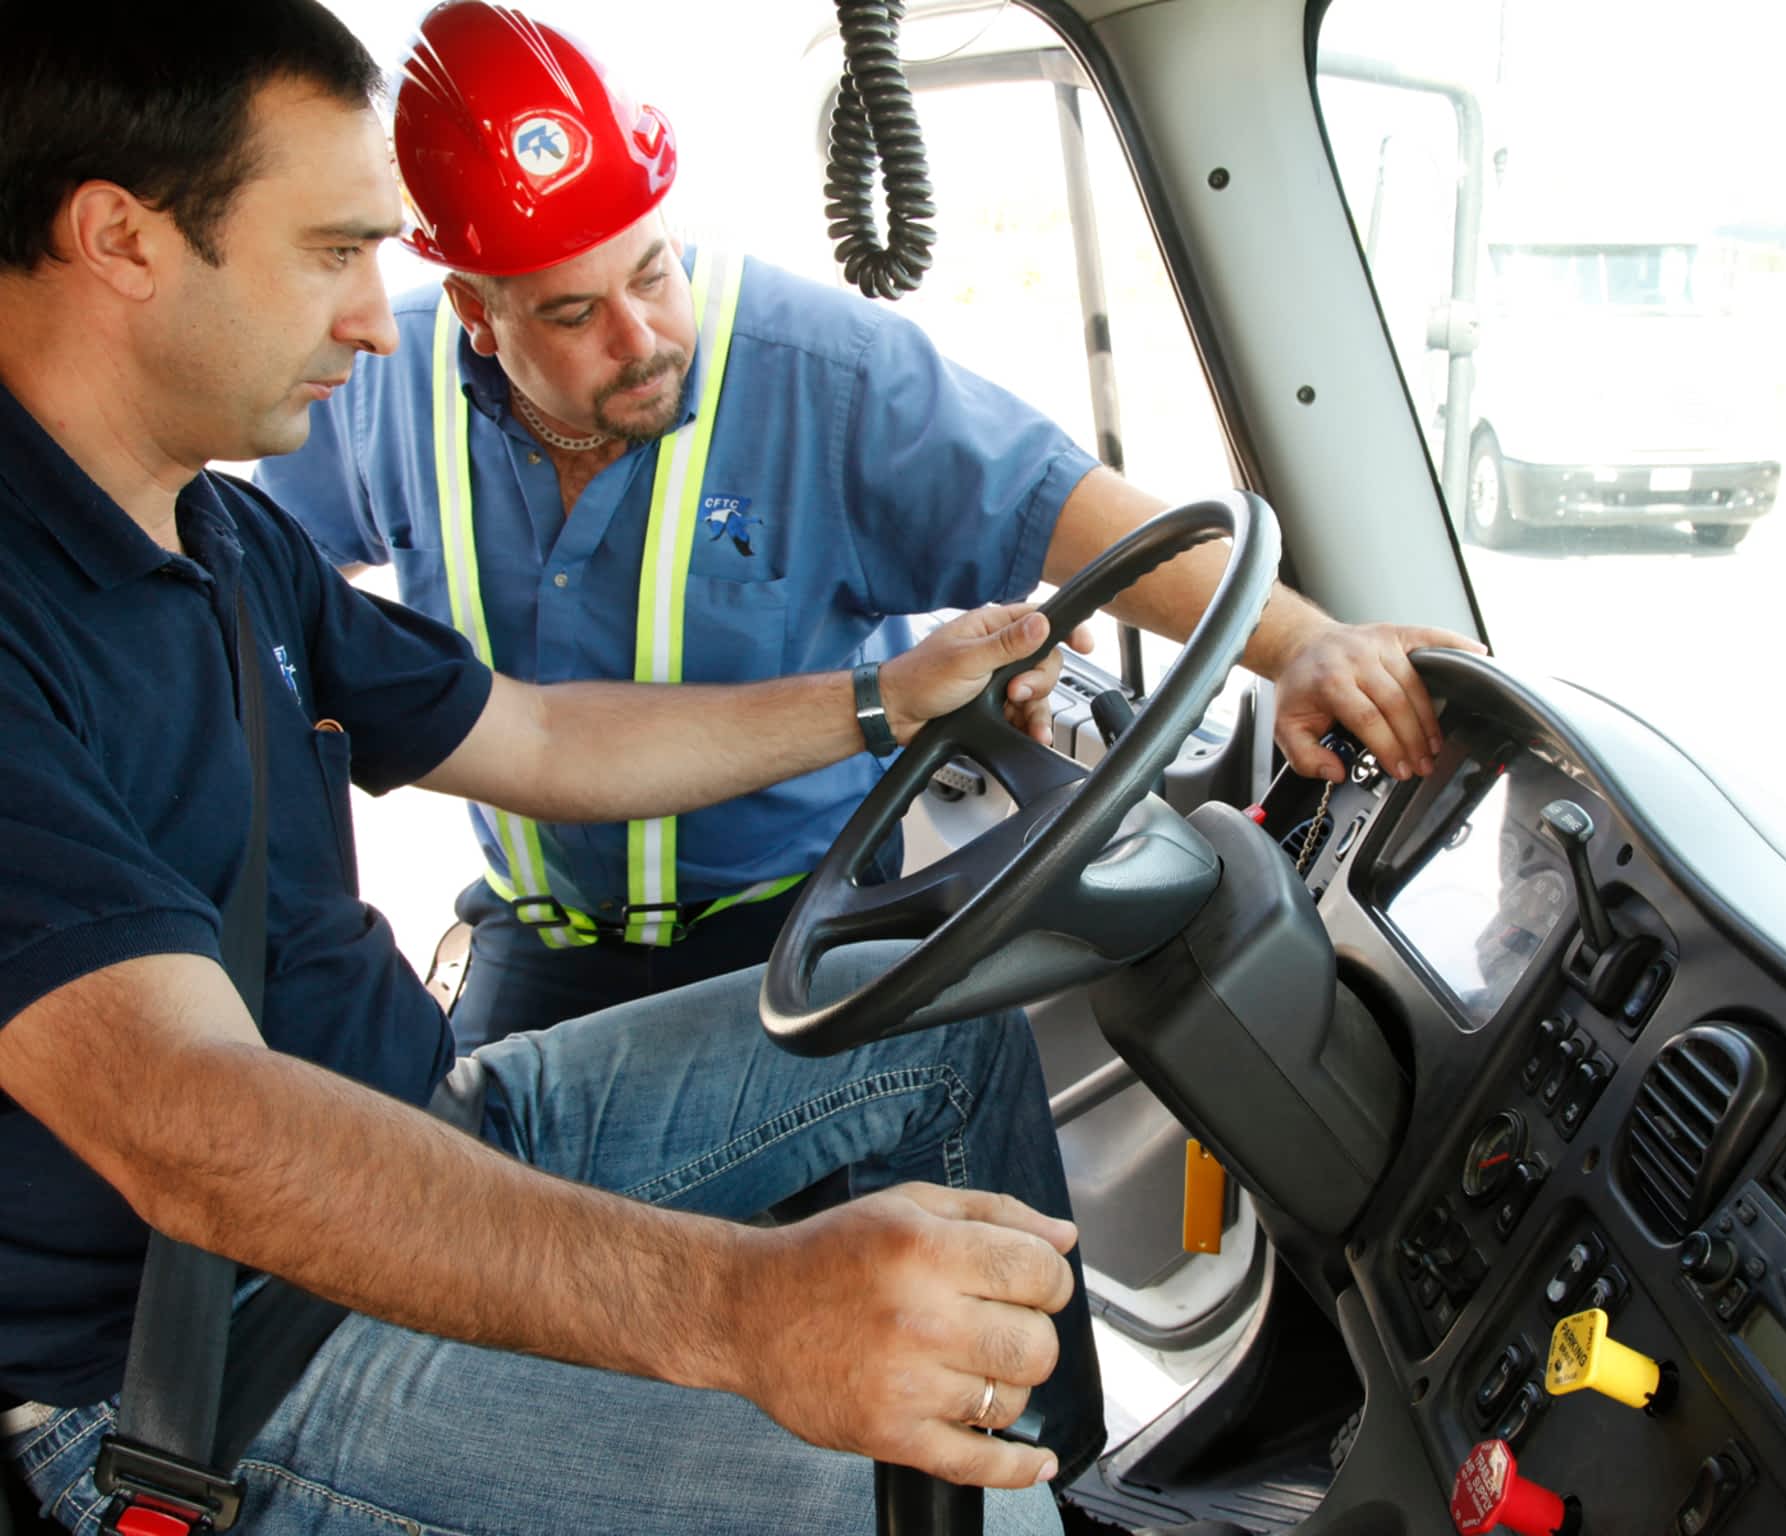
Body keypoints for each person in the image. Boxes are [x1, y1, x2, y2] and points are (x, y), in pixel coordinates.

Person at [0, 6, 1104, 1531]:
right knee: (926, 1501)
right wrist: (740, 1309)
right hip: (204, 1353)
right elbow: (192, 1119)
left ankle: (1061, 1473)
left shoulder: (218, 531)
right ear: (120, 238)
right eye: (333, 254)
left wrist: (889, 698)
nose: (379, 325)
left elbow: (532, 731)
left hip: (422, 1124)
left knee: (938, 1030)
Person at [255, 0, 1487, 1049]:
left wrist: (1301, 646)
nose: (641, 342)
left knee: (958, 1151)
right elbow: (270, 592)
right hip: (539, 940)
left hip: (795, 925)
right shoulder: (377, 387)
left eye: (651, 272)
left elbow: (1070, 517)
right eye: (572, 315)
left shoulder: (826, 374)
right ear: (474, 311)